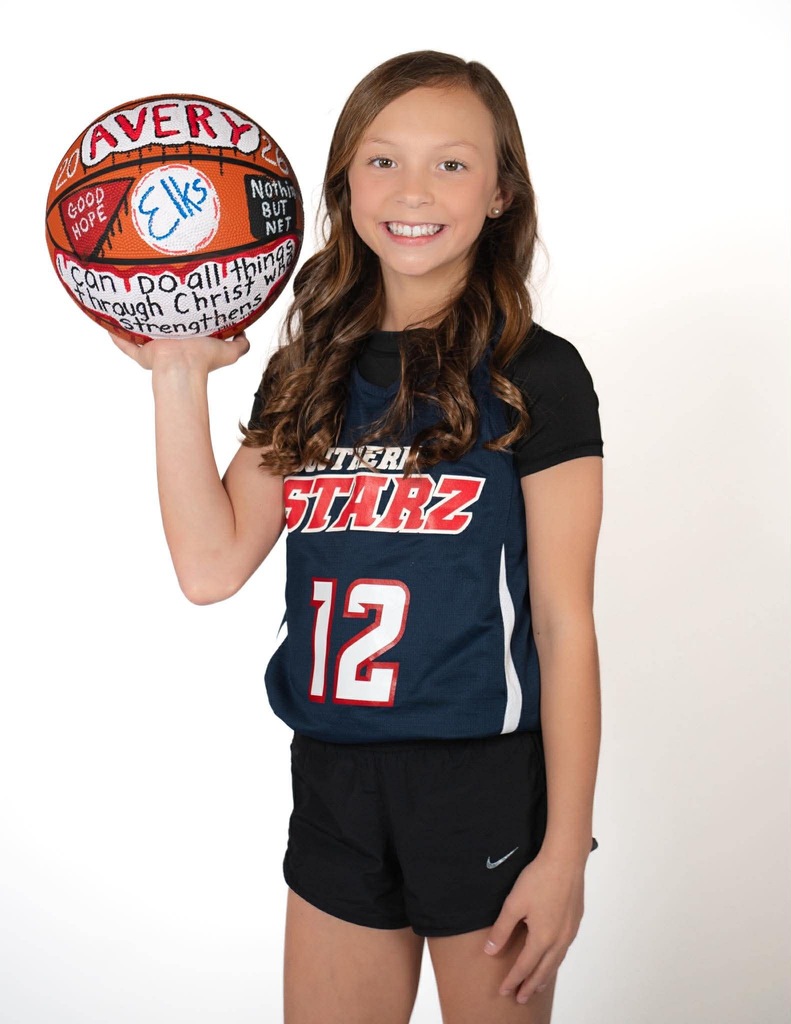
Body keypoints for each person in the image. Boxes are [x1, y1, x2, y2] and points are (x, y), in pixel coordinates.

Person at [110, 50, 604, 1024]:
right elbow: (209, 567)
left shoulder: (533, 375)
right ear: (341, 180)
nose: (411, 190)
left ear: (501, 191)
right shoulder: (306, 371)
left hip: (482, 779)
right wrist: (178, 375)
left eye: (451, 164)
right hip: (332, 778)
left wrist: (562, 853)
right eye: (381, 160)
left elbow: (561, 623)